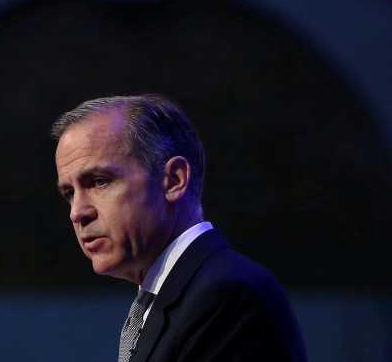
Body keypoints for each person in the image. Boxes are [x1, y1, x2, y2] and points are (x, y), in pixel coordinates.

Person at [52, 94, 306, 362]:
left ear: (173, 180)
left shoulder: (226, 295)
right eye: (69, 193)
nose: (77, 212)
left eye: (100, 181)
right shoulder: (174, 297)